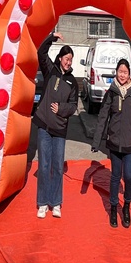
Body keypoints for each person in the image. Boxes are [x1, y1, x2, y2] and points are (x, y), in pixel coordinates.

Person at [91, 58, 131, 229]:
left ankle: (127, 206)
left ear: (130, 74)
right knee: (115, 176)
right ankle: (114, 208)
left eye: (125, 72)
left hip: (130, 143)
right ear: (116, 72)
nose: (122, 75)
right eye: (120, 72)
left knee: (128, 176)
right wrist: (96, 140)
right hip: (114, 142)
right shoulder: (111, 93)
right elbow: (103, 116)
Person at [32, 31, 78, 218]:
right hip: (44, 125)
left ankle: (56, 202)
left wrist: (61, 108)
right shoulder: (50, 71)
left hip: (60, 129)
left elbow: (74, 106)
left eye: (70, 59)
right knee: (44, 165)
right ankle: (43, 203)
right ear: (60, 58)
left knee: (58, 166)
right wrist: (51, 37)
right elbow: (41, 53)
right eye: (66, 58)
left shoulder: (72, 82)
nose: (68, 62)